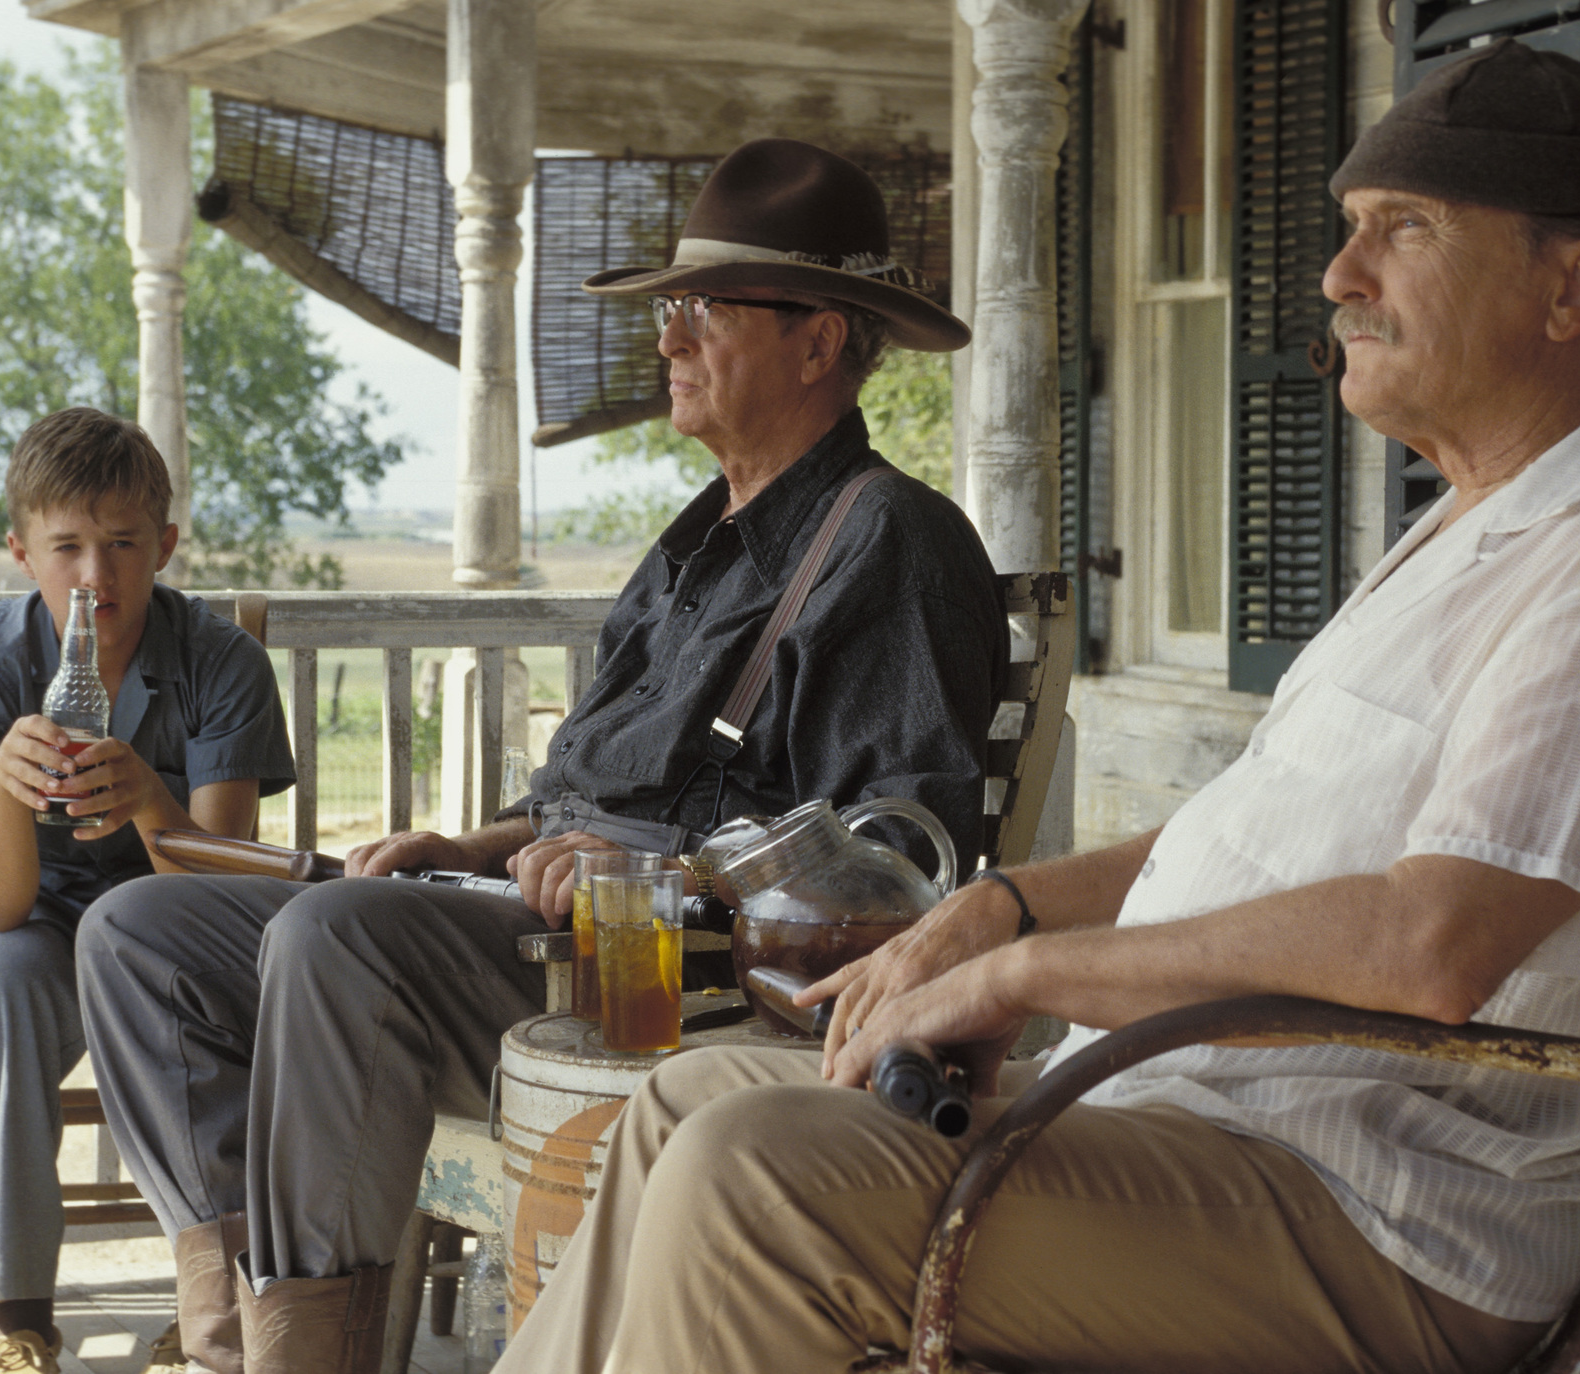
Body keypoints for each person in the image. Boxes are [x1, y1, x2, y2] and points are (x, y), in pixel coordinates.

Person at [494, 40, 1580, 1374]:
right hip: (1195, 1127)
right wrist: (997, 908)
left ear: (1576, 285)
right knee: (687, 1101)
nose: (1340, 277)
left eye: (1404, 233)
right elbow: (1232, 850)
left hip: (1376, 1218)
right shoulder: (1462, 540)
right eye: (1350, 233)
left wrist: (1024, 973)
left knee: (757, 1175)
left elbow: (1431, 943)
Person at [75, 138, 1005, 1374]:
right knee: (137, 933)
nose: (666, 341)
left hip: (685, 983)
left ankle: (312, 1360)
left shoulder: (891, 541)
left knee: (332, 937)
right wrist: (467, 847)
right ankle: (236, 1336)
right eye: (670, 310)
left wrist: (654, 874)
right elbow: (589, 783)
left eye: (700, 312)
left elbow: (898, 860)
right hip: (538, 929)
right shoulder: (691, 547)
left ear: (817, 340)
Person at [0, 408, 295, 1374]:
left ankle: (208, 1302)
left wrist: (153, 803)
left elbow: (218, 886)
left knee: (196, 968)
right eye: (68, 548)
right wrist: (6, 783)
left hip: (166, 907)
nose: (96, 576)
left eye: (124, 544)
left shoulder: (223, 662)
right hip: (22, 909)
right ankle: (20, 1319)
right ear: (20, 552)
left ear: (165, 545)